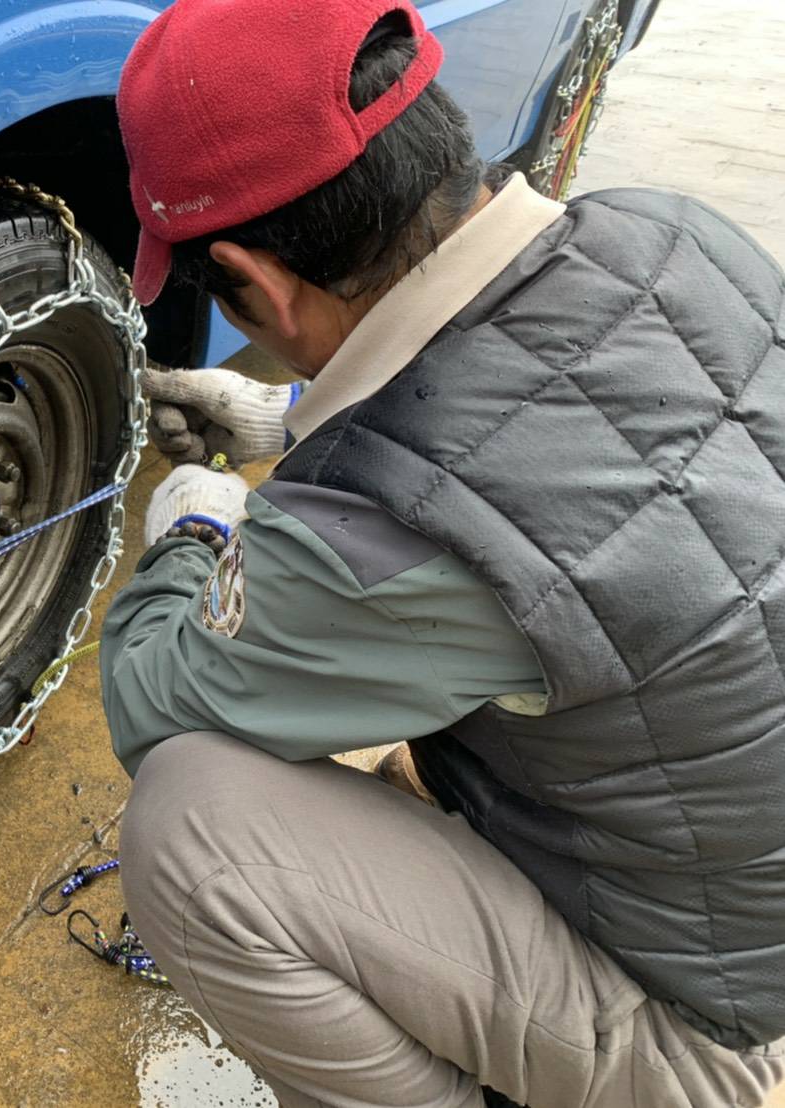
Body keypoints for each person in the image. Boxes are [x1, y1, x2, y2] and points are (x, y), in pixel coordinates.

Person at [99, 1, 785, 1105]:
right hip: (737, 893)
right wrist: (287, 416)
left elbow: (155, 696)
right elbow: (582, 430)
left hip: (715, 1026)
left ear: (257, 284)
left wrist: (187, 525)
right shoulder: (666, 234)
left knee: (192, 827)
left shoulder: (376, 539)